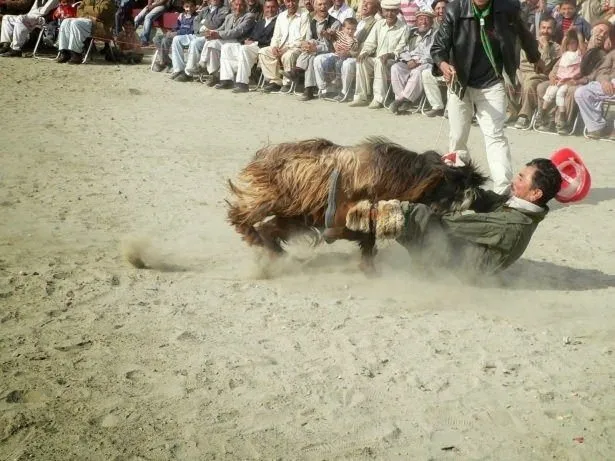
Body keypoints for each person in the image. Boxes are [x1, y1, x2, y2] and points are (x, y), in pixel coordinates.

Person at [329, 158, 564, 275]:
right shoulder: (522, 209)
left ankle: (346, 215)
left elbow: (448, 226)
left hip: (450, 270)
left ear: (535, 193)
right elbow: (490, 201)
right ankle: (351, 225)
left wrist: (431, 207)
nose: (514, 180)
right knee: (427, 204)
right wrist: (458, 183)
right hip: (456, 257)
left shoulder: (512, 225)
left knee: (418, 214)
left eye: (522, 179)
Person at [430, 0, 544, 195]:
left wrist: (535, 57)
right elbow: (438, 46)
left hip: (492, 82)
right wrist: (443, 65)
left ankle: (502, 190)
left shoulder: (508, 8)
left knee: (495, 135)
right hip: (460, 83)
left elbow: (524, 34)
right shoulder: (455, 9)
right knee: (457, 137)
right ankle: (458, 185)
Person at [349, 0, 408, 109]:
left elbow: (402, 49)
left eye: (393, 11)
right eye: (387, 11)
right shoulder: (379, 24)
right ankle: (361, 97)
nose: (389, 14)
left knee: (380, 62)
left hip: (393, 62)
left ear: (397, 11)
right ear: (383, 11)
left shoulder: (403, 28)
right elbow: (370, 43)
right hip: (378, 59)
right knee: (361, 61)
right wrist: (365, 52)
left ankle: (378, 99)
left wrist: (390, 54)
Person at [216, 0, 279, 92]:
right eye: (267, 7)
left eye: (273, 7)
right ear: (264, 8)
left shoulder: (278, 21)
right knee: (227, 47)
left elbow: (274, 39)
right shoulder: (261, 22)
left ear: (277, 8)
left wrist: (254, 42)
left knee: (245, 49)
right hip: (252, 46)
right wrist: (247, 40)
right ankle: (226, 80)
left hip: (264, 47)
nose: (270, 9)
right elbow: (252, 35)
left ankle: (242, 83)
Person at [513, 16, 560, 129]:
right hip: (523, 73)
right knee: (505, 80)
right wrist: (537, 67)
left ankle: (524, 115)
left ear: (553, 30)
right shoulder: (530, 43)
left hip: (541, 77)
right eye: (543, 27)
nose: (545, 31)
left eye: (549, 28)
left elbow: (546, 66)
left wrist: (546, 48)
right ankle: (510, 112)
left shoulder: (557, 48)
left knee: (530, 82)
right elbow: (524, 63)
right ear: (539, 29)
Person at [257, 0, 311, 93]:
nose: (291, 4)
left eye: (293, 1)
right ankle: (275, 81)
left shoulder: (305, 15)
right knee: (263, 52)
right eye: (288, 1)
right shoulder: (281, 16)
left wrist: (287, 48)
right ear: (284, 2)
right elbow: (276, 36)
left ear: (298, 2)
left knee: (288, 55)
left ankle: (287, 83)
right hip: (280, 47)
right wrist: (274, 47)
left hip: (297, 48)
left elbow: (303, 39)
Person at [388, 9, 436, 114]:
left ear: (431, 22)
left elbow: (434, 53)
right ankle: (402, 101)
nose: (423, 22)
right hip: (409, 61)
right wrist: (409, 60)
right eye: (421, 19)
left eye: (427, 19)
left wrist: (418, 61)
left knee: (418, 71)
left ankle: (403, 100)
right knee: (396, 68)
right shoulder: (411, 33)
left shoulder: (435, 34)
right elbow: (402, 49)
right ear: (416, 21)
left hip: (426, 62)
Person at [538, 27, 584, 132]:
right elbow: (564, 44)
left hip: (568, 80)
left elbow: (581, 44)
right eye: (569, 43)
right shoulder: (564, 54)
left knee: (560, 93)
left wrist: (577, 32)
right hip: (559, 79)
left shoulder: (578, 54)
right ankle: (543, 113)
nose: (571, 45)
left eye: (574, 43)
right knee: (550, 91)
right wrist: (567, 34)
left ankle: (562, 116)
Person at [574, 47, 615, 139]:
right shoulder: (612, 54)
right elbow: (601, 71)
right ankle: (597, 127)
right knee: (582, 92)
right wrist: (604, 81)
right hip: (610, 83)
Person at [152, 0, 197, 72]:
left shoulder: (196, 17)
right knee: (156, 38)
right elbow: (177, 26)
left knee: (165, 40)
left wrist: (177, 33)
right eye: (187, 7)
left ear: (195, 7)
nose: (189, 9)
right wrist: (172, 31)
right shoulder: (181, 15)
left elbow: (192, 31)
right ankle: (167, 61)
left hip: (185, 37)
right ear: (184, 7)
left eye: (192, 7)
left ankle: (163, 62)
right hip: (175, 34)